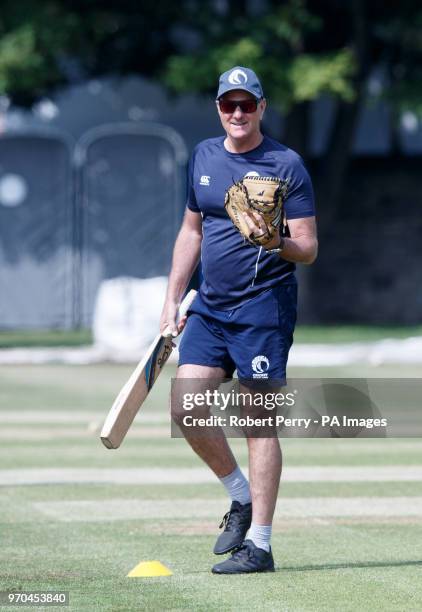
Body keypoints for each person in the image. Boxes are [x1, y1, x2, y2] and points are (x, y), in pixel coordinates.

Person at [160, 66, 318, 574]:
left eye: (246, 105)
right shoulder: (204, 155)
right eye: (229, 105)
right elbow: (192, 231)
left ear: (261, 108)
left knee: (257, 424)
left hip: (263, 309)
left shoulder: (287, 164)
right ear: (218, 110)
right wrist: (173, 298)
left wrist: (274, 239)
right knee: (187, 408)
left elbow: (309, 249)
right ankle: (240, 495)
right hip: (210, 306)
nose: (237, 113)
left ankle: (262, 546)